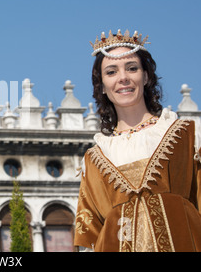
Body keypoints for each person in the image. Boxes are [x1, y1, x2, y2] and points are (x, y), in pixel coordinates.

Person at [74, 29, 201, 252]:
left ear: (146, 75)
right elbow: (90, 235)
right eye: (111, 72)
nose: (123, 77)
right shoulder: (94, 159)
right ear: (102, 86)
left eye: (132, 68)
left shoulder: (188, 135)